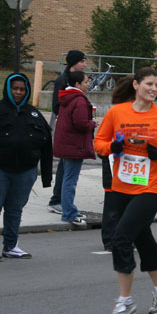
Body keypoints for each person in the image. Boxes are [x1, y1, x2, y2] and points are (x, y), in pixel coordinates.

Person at [93, 68, 157, 314]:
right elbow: (99, 143)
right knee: (142, 237)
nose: (154, 89)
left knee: (121, 238)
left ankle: (125, 302)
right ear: (135, 85)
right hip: (121, 185)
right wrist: (114, 147)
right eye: (149, 84)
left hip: (150, 187)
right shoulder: (116, 113)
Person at [0, 73, 53, 262]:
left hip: (25, 171)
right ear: (8, 88)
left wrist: (46, 177)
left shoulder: (34, 114)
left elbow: (47, 144)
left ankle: (11, 245)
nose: (18, 92)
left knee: (15, 209)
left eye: (22, 89)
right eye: (15, 88)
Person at [53, 70, 97, 227]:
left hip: (65, 144)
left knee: (67, 179)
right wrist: (93, 123)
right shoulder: (79, 100)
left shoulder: (67, 97)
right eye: (86, 82)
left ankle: (68, 209)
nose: (88, 84)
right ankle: (69, 213)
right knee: (70, 181)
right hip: (73, 146)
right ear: (77, 84)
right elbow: (81, 124)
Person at [48, 50, 88, 215]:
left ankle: (60, 200)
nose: (85, 64)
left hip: (71, 133)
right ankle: (57, 201)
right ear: (74, 62)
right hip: (67, 131)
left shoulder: (76, 80)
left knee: (66, 169)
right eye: (83, 61)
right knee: (67, 171)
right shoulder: (62, 80)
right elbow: (57, 105)